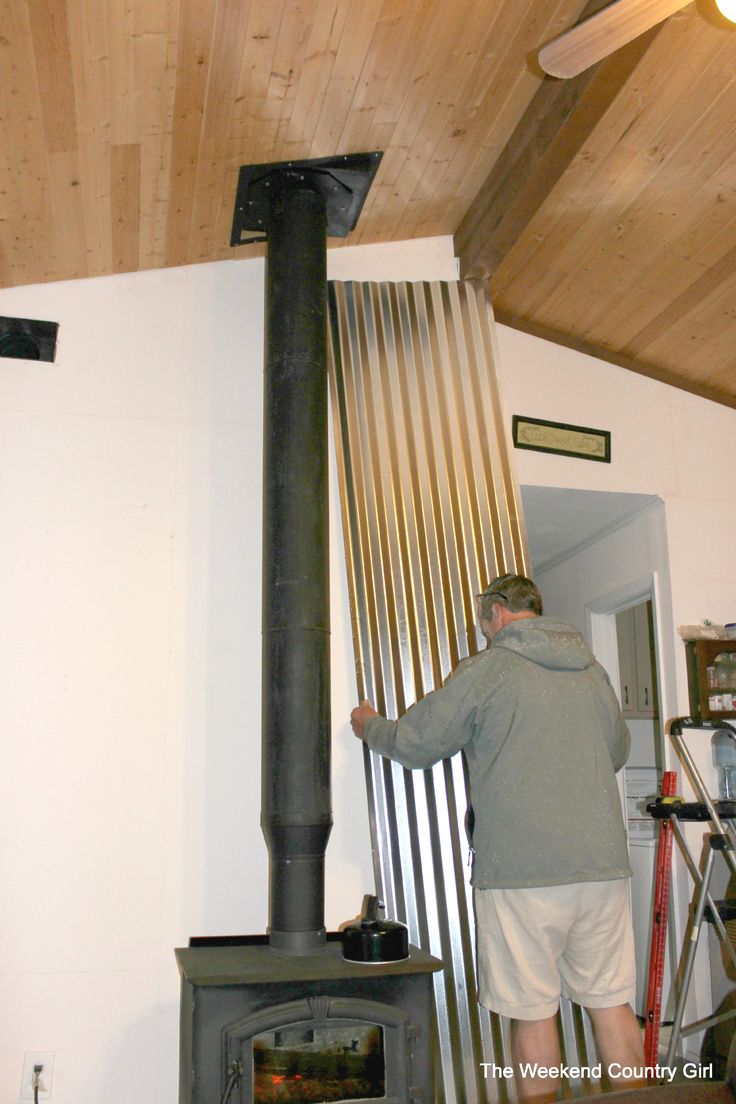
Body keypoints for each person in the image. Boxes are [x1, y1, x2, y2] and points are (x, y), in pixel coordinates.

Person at [350, 573, 646, 1103]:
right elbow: (617, 751)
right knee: (611, 1000)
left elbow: (416, 743)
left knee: (531, 1009)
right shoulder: (592, 671)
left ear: (495, 611)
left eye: (481, 617)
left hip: (521, 874)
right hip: (603, 867)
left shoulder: (488, 670)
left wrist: (369, 723)